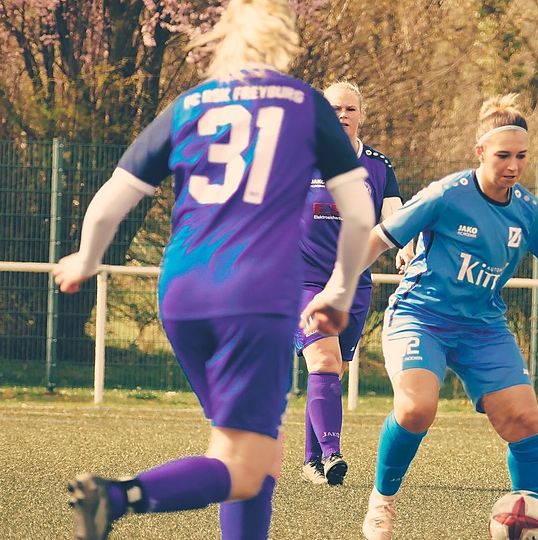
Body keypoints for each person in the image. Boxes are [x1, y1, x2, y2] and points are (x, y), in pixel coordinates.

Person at [54, 1, 375, 538]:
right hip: (253, 295)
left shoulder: (190, 104)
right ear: (284, 42)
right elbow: (360, 213)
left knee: (252, 454)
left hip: (182, 292)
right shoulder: (304, 104)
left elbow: (112, 199)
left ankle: (122, 496)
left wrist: (86, 259)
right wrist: (339, 291)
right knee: (246, 465)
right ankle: (117, 496)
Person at [348, 93, 538, 540]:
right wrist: (337, 288)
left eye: (521, 156)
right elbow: (380, 237)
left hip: (482, 326)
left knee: (525, 419)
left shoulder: (527, 210)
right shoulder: (446, 194)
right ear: (480, 152)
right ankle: (382, 501)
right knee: (416, 409)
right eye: (503, 155)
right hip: (421, 315)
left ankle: (535, 516)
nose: (513, 166)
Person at [297, 80, 412, 487]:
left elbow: (396, 218)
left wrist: (405, 249)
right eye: (334, 109)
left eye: (349, 109)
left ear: (362, 115)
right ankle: (332, 454)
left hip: (354, 284)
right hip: (304, 281)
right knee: (324, 362)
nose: (342, 115)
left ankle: (312, 460)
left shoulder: (378, 166)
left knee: (334, 369)